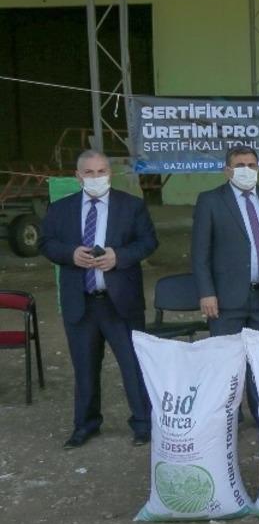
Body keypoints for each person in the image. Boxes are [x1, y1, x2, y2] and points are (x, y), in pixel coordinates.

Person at [39, 150, 157, 448]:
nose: (96, 177)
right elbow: (45, 242)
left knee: (133, 365)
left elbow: (148, 241)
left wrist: (120, 256)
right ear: (78, 177)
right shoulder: (60, 208)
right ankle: (86, 425)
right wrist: (69, 254)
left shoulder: (131, 206)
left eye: (102, 171)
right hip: (81, 302)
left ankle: (143, 424)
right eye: (89, 173)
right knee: (85, 367)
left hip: (121, 301)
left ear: (110, 173)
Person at [191, 146, 259, 420]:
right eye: (240, 165)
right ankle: (229, 418)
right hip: (226, 299)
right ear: (227, 170)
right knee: (226, 363)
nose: (247, 170)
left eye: (252, 164)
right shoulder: (210, 201)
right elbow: (200, 252)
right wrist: (206, 292)